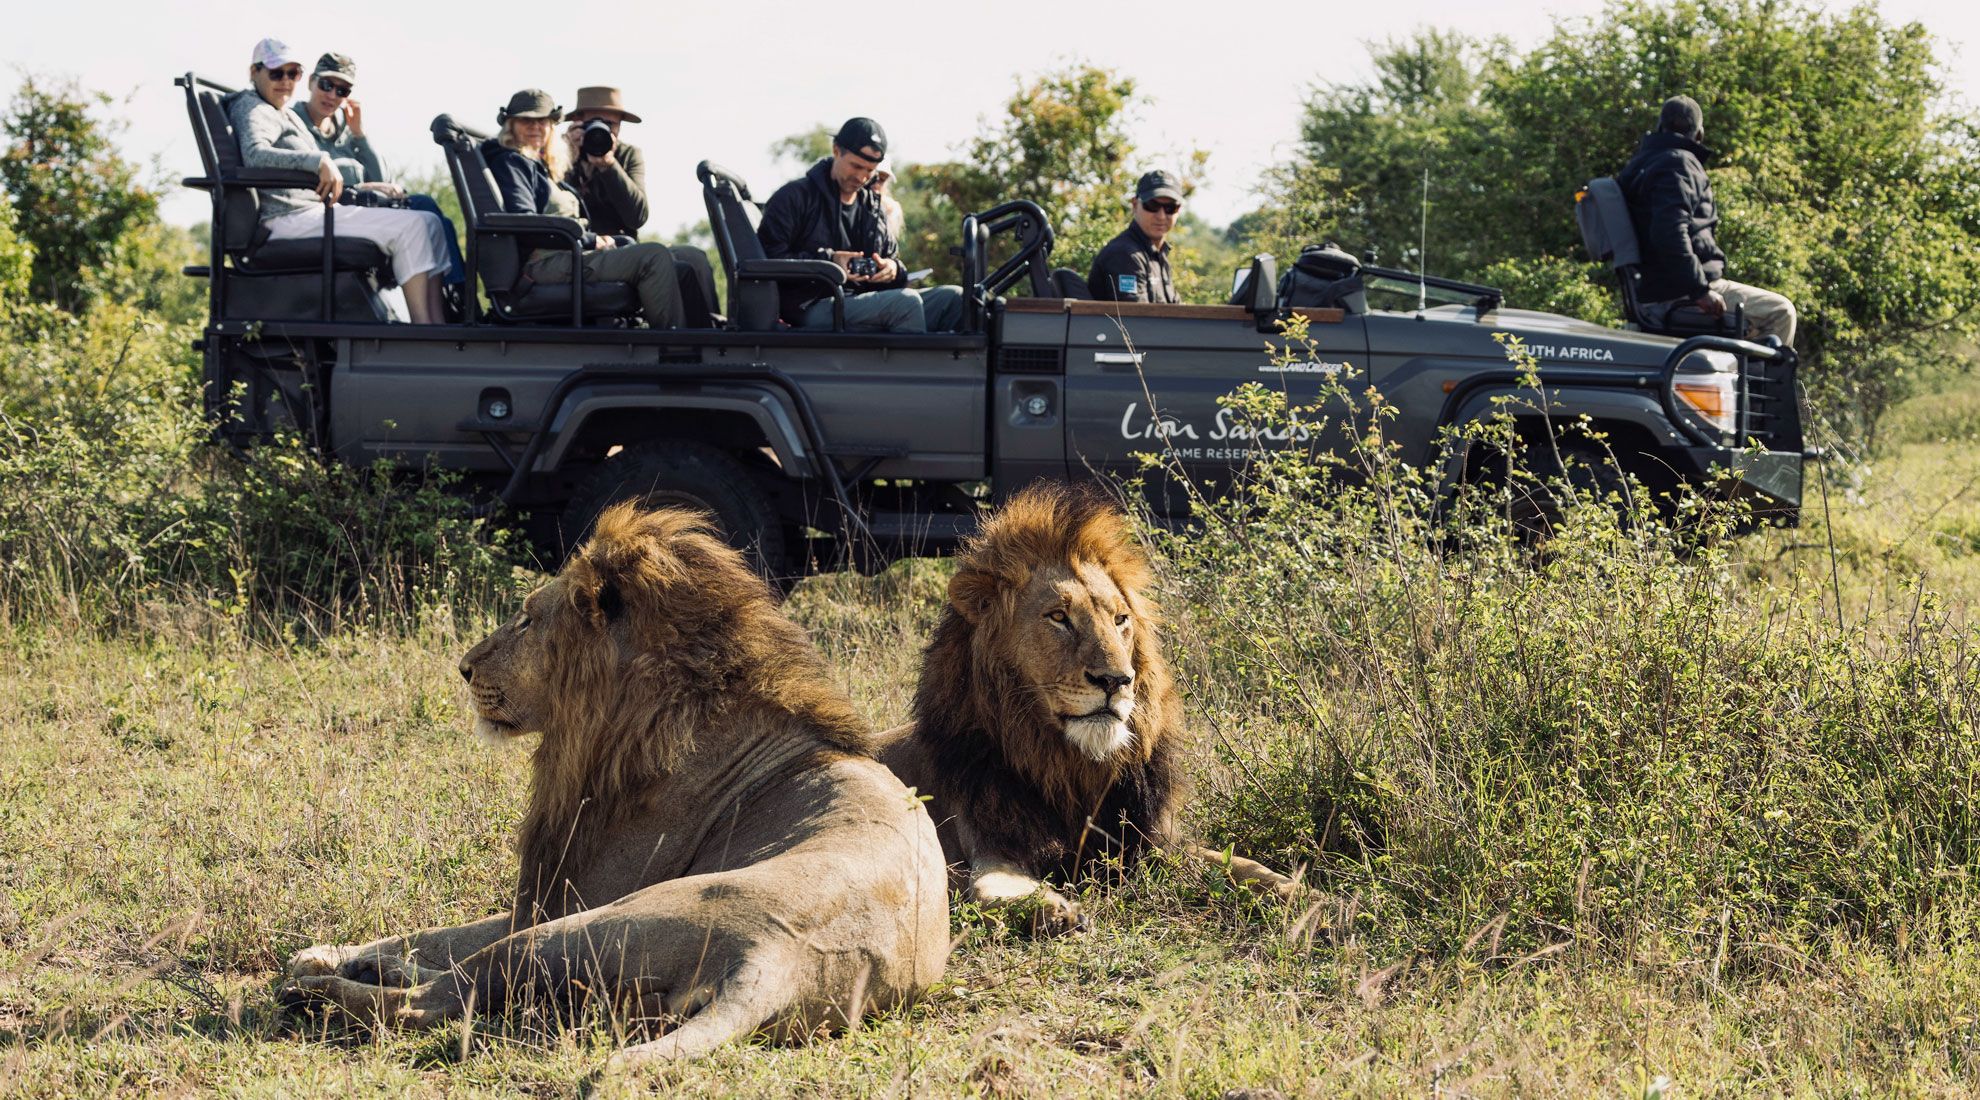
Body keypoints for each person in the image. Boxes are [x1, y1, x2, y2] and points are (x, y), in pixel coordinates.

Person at [227, 37, 449, 324]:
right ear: (253, 72)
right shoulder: (253, 107)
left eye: (292, 73)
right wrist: (318, 161)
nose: (285, 81)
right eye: (276, 73)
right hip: (287, 217)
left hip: (312, 211)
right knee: (413, 226)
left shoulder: (279, 112)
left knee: (428, 222)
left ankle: (438, 327)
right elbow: (255, 154)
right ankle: (425, 332)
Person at [481, 88, 703, 328]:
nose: (535, 127)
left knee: (680, 268)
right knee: (653, 256)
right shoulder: (512, 162)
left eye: (542, 121)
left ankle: (710, 349)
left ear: (551, 126)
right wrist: (589, 240)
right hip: (545, 261)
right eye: (526, 120)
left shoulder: (539, 164)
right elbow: (526, 223)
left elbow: (637, 216)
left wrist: (605, 166)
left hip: (566, 254)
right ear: (510, 125)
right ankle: (675, 350)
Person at [1617, 95, 1797, 346]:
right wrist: (1700, 291)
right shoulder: (1679, 163)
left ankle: (1737, 375)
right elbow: (1668, 231)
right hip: (1679, 292)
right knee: (1781, 311)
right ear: (1698, 135)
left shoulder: (1636, 166)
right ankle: (1755, 385)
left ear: (1659, 128)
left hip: (1653, 288)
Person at [757, 117, 963, 334]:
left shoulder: (872, 207)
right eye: (855, 166)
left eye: (869, 170)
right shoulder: (794, 197)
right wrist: (830, 261)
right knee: (905, 303)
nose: (862, 176)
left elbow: (891, 259)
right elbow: (767, 259)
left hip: (860, 300)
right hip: (809, 305)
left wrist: (893, 270)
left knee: (953, 298)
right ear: (836, 151)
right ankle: (909, 368)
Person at [291, 52, 467, 294]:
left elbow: (383, 180)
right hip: (334, 208)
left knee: (434, 216)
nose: (332, 96)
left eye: (342, 91)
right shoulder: (295, 123)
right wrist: (363, 186)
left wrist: (360, 136)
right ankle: (459, 294)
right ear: (311, 82)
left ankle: (458, 294)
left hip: (364, 204)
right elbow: (315, 174)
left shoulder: (344, 131)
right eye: (326, 85)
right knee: (424, 210)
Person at [560, 86, 648, 239]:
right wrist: (565, 156)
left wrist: (609, 165)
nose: (601, 131)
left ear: (620, 125)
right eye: (594, 122)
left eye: (610, 125)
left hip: (619, 247)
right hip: (570, 244)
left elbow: (637, 218)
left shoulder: (628, 154)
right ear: (577, 122)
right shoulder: (559, 151)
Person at [1088, 170, 1182, 304]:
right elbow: (1136, 320)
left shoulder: (1158, 255)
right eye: (1152, 205)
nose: (1161, 216)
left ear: (1178, 210)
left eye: (1170, 208)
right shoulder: (1125, 254)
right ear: (1135, 205)